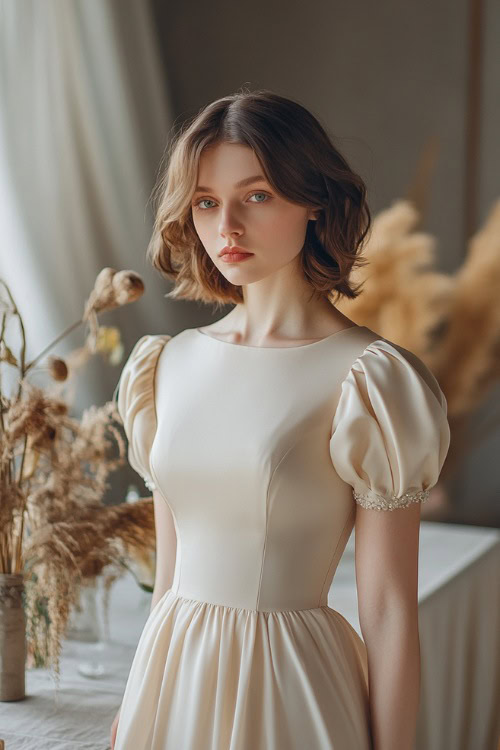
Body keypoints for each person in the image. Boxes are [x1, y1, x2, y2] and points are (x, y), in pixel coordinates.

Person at [110, 89, 450, 750]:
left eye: (257, 195)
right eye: (206, 201)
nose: (226, 227)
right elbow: (169, 581)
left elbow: (386, 610)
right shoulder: (164, 368)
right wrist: (134, 707)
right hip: (169, 680)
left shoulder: (370, 380)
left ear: (313, 199)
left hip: (287, 688)